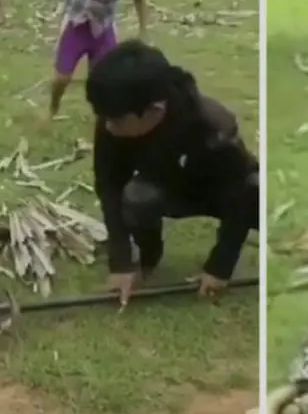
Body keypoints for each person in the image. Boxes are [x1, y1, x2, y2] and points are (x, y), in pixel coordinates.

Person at [86, 39, 260, 308]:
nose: (108, 127)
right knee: (136, 198)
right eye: (104, 118)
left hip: (225, 192)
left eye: (116, 121)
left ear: (155, 110)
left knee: (259, 195)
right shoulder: (116, 118)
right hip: (168, 188)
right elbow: (109, 184)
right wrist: (121, 261)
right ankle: (149, 253)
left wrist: (220, 265)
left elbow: (243, 188)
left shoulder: (212, 127)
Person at [45, 0, 149, 124]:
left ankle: (102, 119)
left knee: (104, 81)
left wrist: (143, 29)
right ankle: (53, 107)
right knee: (62, 78)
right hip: (76, 25)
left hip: (103, 28)